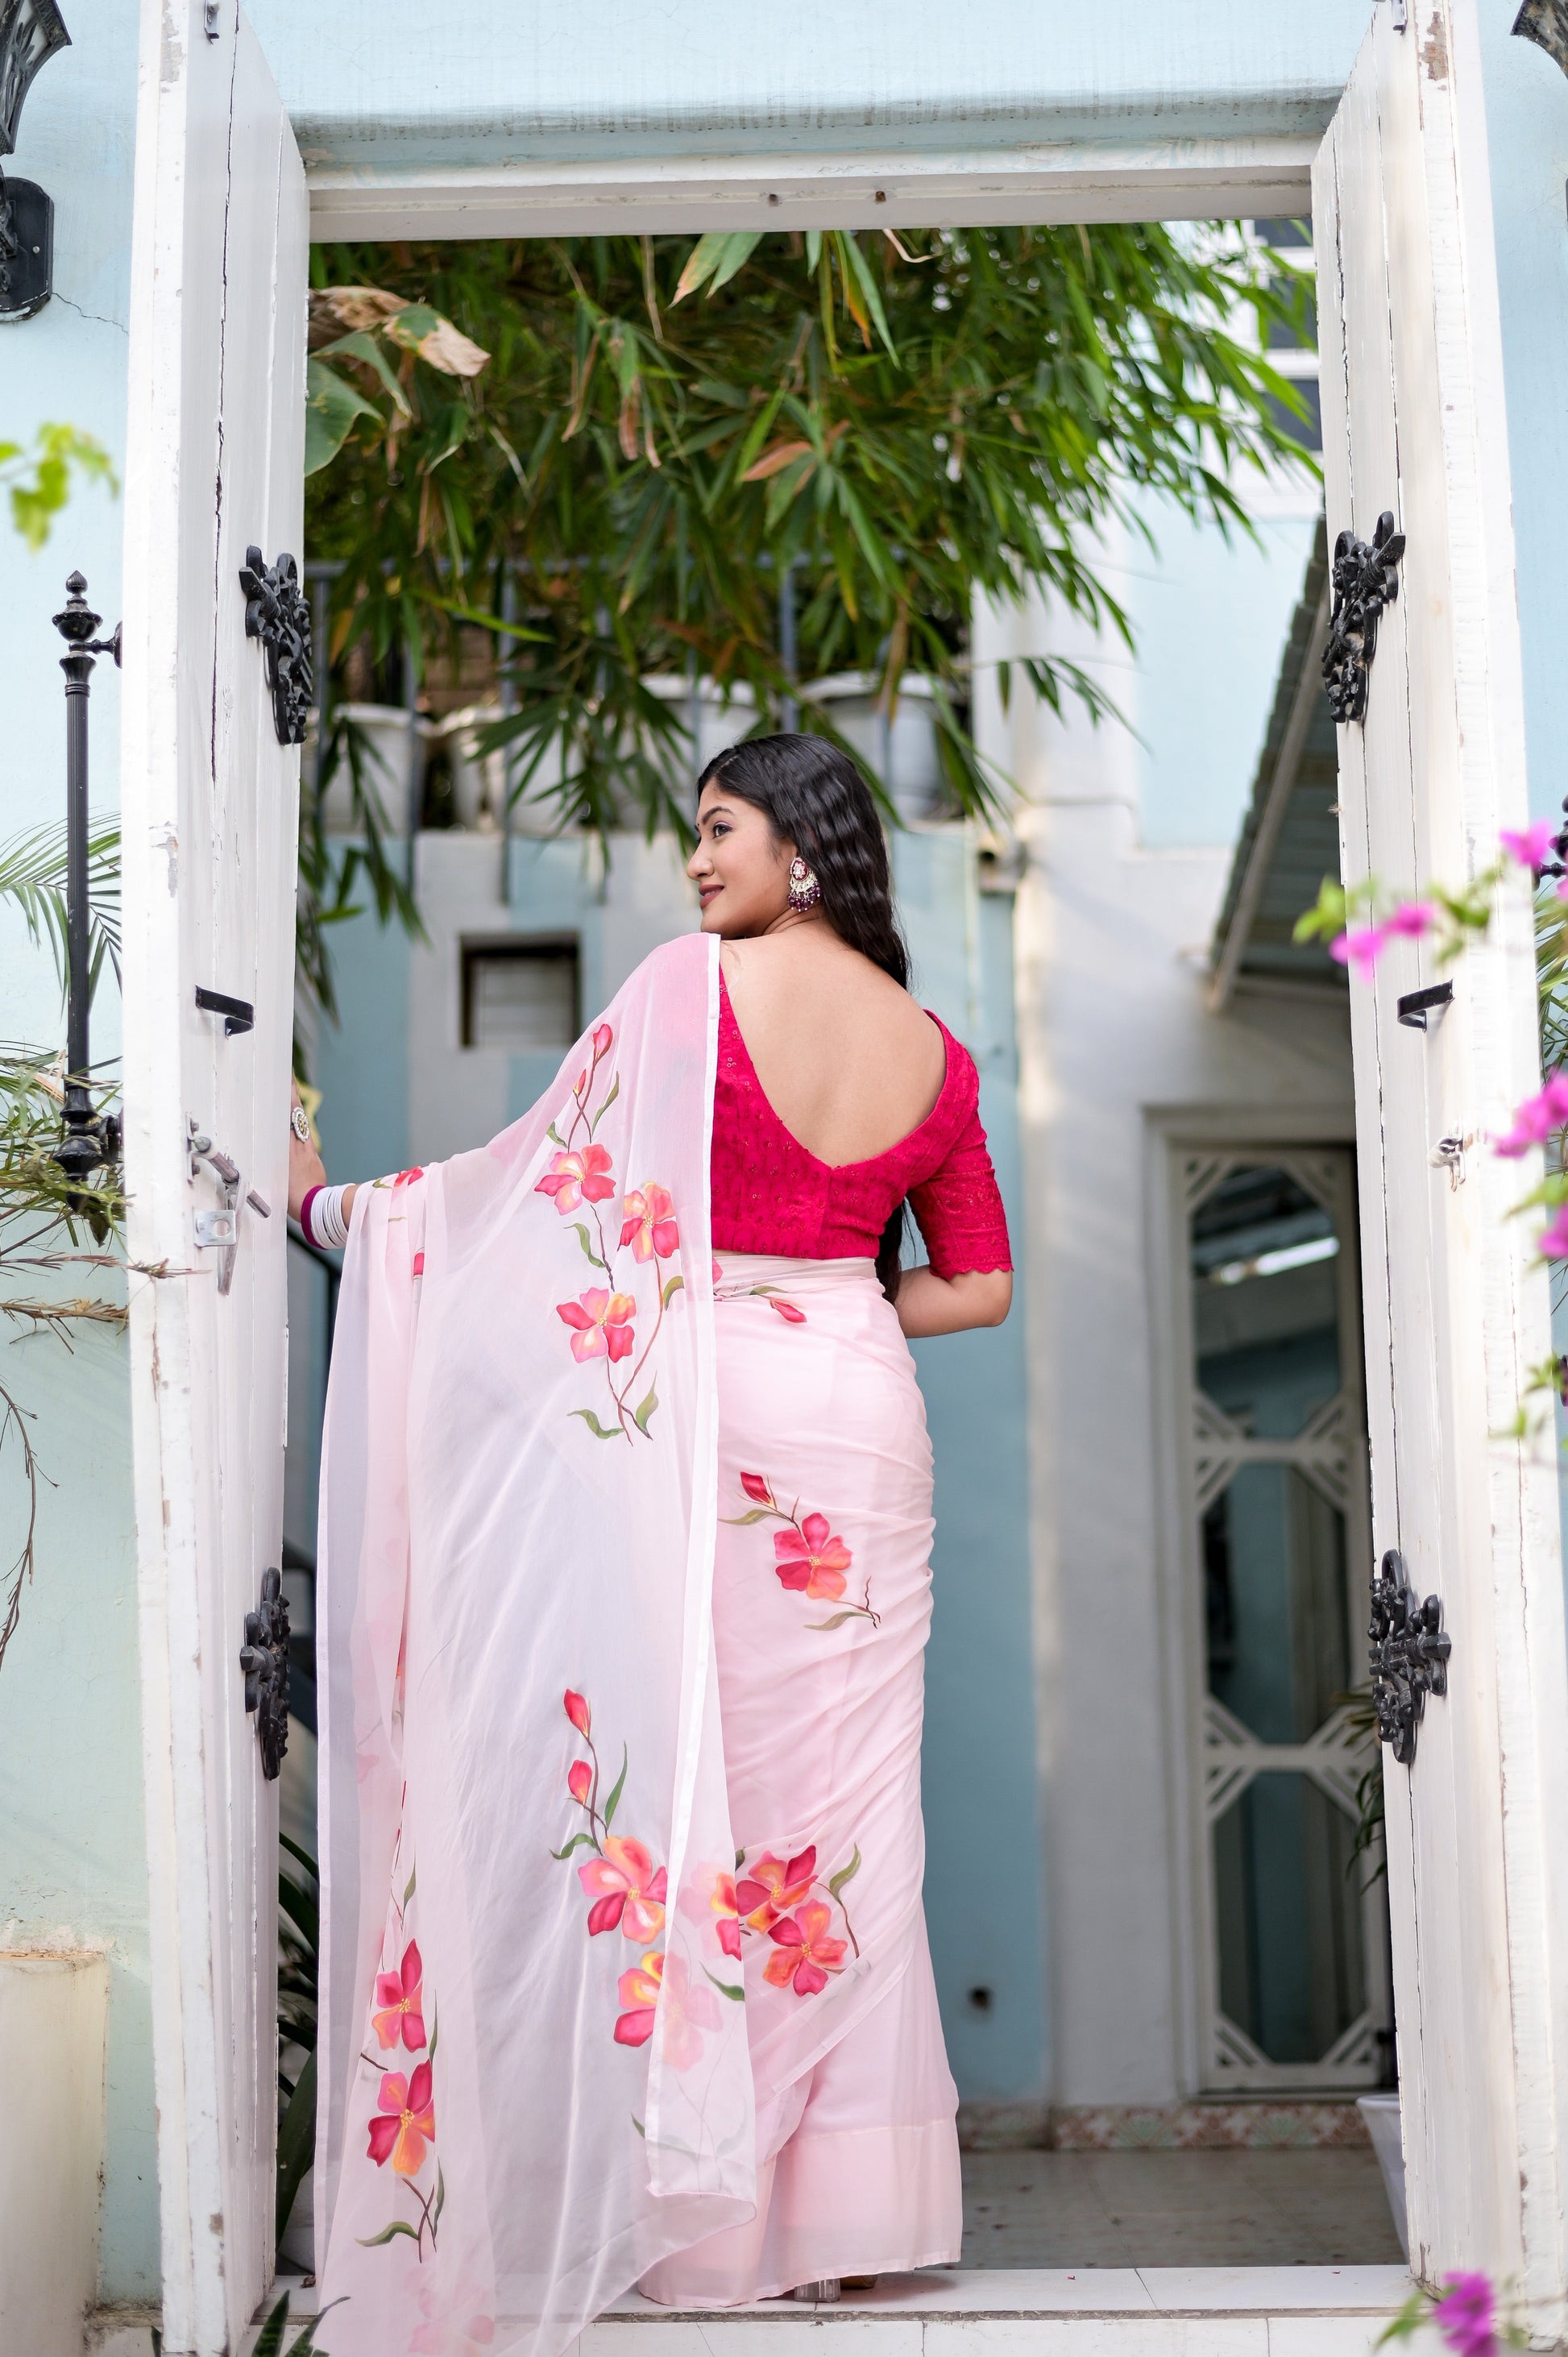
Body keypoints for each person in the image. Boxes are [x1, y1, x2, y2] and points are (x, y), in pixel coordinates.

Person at [293, 734, 1012, 2357]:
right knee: (845, 1809)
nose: (696, 861)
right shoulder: (937, 1052)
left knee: (703, 1779)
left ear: (801, 850)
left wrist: (343, 1210)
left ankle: (708, 2210)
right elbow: (977, 1283)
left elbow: (530, 1186)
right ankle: (857, 2214)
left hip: (719, 1409)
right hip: (861, 1411)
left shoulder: (695, 990)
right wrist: (828, 1299)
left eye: (718, 828)